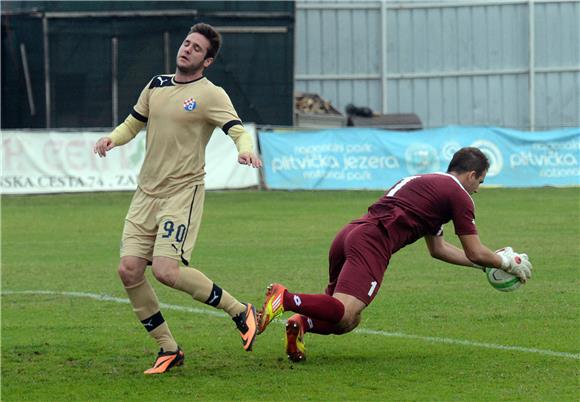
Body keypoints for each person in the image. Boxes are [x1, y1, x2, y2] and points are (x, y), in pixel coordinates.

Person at [93, 23, 262, 374]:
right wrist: (112, 138)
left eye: (196, 48)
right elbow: (133, 123)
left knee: (168, 271)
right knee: (128, 270)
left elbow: (237, 130)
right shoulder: (156, 84)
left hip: (181, 192)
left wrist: (244, 151)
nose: (187, 49)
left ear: (207, 60)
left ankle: (240, 311)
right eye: (186, 43)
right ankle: (168, 348)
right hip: (146, 193)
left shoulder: (210, 94)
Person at [257, 147, 532, 362]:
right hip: (373, 242)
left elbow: (438, 249)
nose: (478, 189)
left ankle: (300, 323)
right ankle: (285, 298)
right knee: (343, 310)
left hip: (350, 234)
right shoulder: (459, 194)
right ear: (471, 174)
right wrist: (506, 262)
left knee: (347, 321)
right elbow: (475, 250)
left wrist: (484, 266)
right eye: (480, 182)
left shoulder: (425, 183)